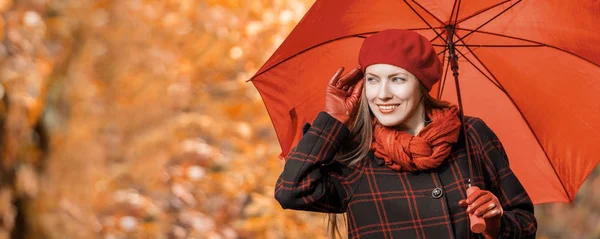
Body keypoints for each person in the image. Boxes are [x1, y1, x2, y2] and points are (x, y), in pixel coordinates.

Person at [274, 29, 537, 239]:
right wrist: (334, 120)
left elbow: (525, 225)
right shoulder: (358, 155)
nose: (382, 94)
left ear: (422, 85)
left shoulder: (471, 135)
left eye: (398, 79)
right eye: (373, 79)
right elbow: (291, 191)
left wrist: (495, 224)